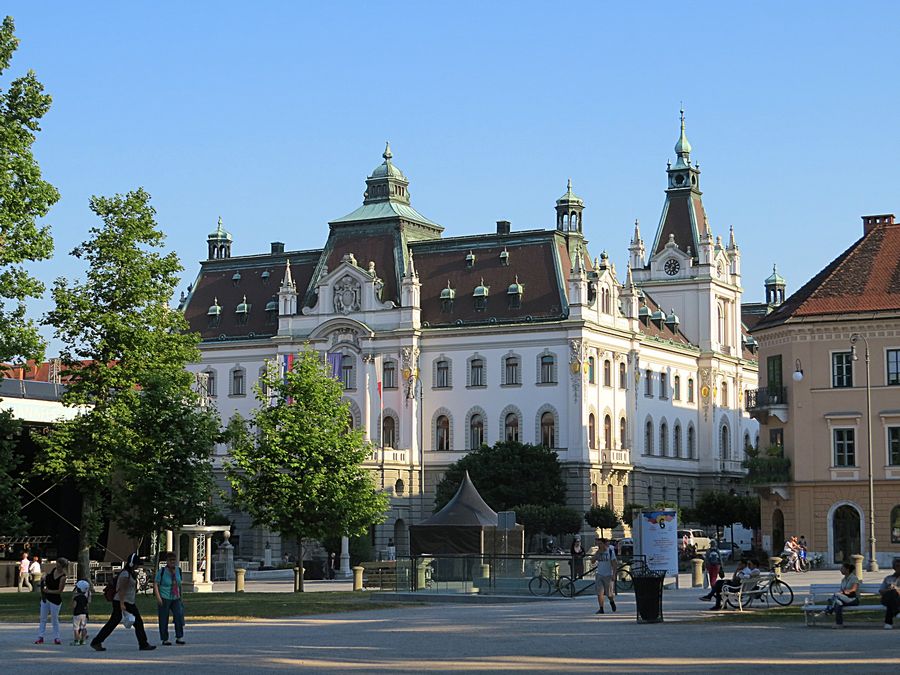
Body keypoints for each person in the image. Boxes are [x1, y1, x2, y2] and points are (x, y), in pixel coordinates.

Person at [91, 552, 156, 652]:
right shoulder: (125, 574)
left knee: (113, 623)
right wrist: (122, 604)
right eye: (136, 564)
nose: (138, 566)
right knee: (138, 622)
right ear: (131, 564)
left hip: (126, 601)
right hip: (124, 602)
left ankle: (96, 641)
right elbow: (122, 590)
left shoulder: (129, 573)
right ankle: (143, 644)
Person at [154, 552, 185, 646]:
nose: (172, 562)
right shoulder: (162, 571)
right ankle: (164, 639)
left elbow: (180, 585)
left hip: (176, 597)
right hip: (164, 597)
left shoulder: (178, 570)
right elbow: (156, 584)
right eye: (170, 560)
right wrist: (158, 597)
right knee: (164, 618)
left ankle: (179, 637)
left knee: (178, 616)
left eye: (174, 560)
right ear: (167, 561)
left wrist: (181, 597)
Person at [35, 557, 68, 645]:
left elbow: (59, 591)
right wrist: (44, 577)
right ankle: (40, 637)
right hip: (46, 598)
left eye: (59, 565)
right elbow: (47, 578)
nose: (57, 566)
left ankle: (57, 637)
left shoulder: (63, 577)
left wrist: (48, 591)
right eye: (56, 564)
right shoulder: (53, 570)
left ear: (62, 566)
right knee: (43, 618)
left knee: (54, 619)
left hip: (55, 600)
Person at [823, 562, 859, 628]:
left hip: (852, 599)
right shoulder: (843, 580)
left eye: (842, 568)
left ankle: (829, 610)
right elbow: (841, 590)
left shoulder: (854, 578)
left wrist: (846, 592)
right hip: (844, 598)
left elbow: (854, 589)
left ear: (847, 570)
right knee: (838, 604)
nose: (840, 570)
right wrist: (841, 593)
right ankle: (839, 624)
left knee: (836, 597)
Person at [592, 536, 617, 614]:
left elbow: (614, 564)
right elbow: (592, 561)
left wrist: (614, 575)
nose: (599, 545)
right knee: (600, 593)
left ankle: (612, 602)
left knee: (609, 594)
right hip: (599, 574)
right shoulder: (598, 552)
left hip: (608, 575)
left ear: (604, 544)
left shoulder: (610, 552)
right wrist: (597, 554)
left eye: (600, 544)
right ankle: (601, 608)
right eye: (598, 544)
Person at [878, 556, 900, 630]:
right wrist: (888, 590)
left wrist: (897, 590)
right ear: (894, 567)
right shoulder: (888, 578)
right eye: (897, 566)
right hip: (886, 598)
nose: (899, 568)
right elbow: (881, 591)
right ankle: (896, 612)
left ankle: (888, 623)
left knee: (892, 599)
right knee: (892, 593)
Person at [71, 579, 91, 645]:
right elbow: (87, 605)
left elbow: (74, 605)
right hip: (84, 614)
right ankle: (83, 640)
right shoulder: (85, 598)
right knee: (83, 627)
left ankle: (77, 640)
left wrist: (72, 600)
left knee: (76, 628)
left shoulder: (76, 598)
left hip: (77, 614)